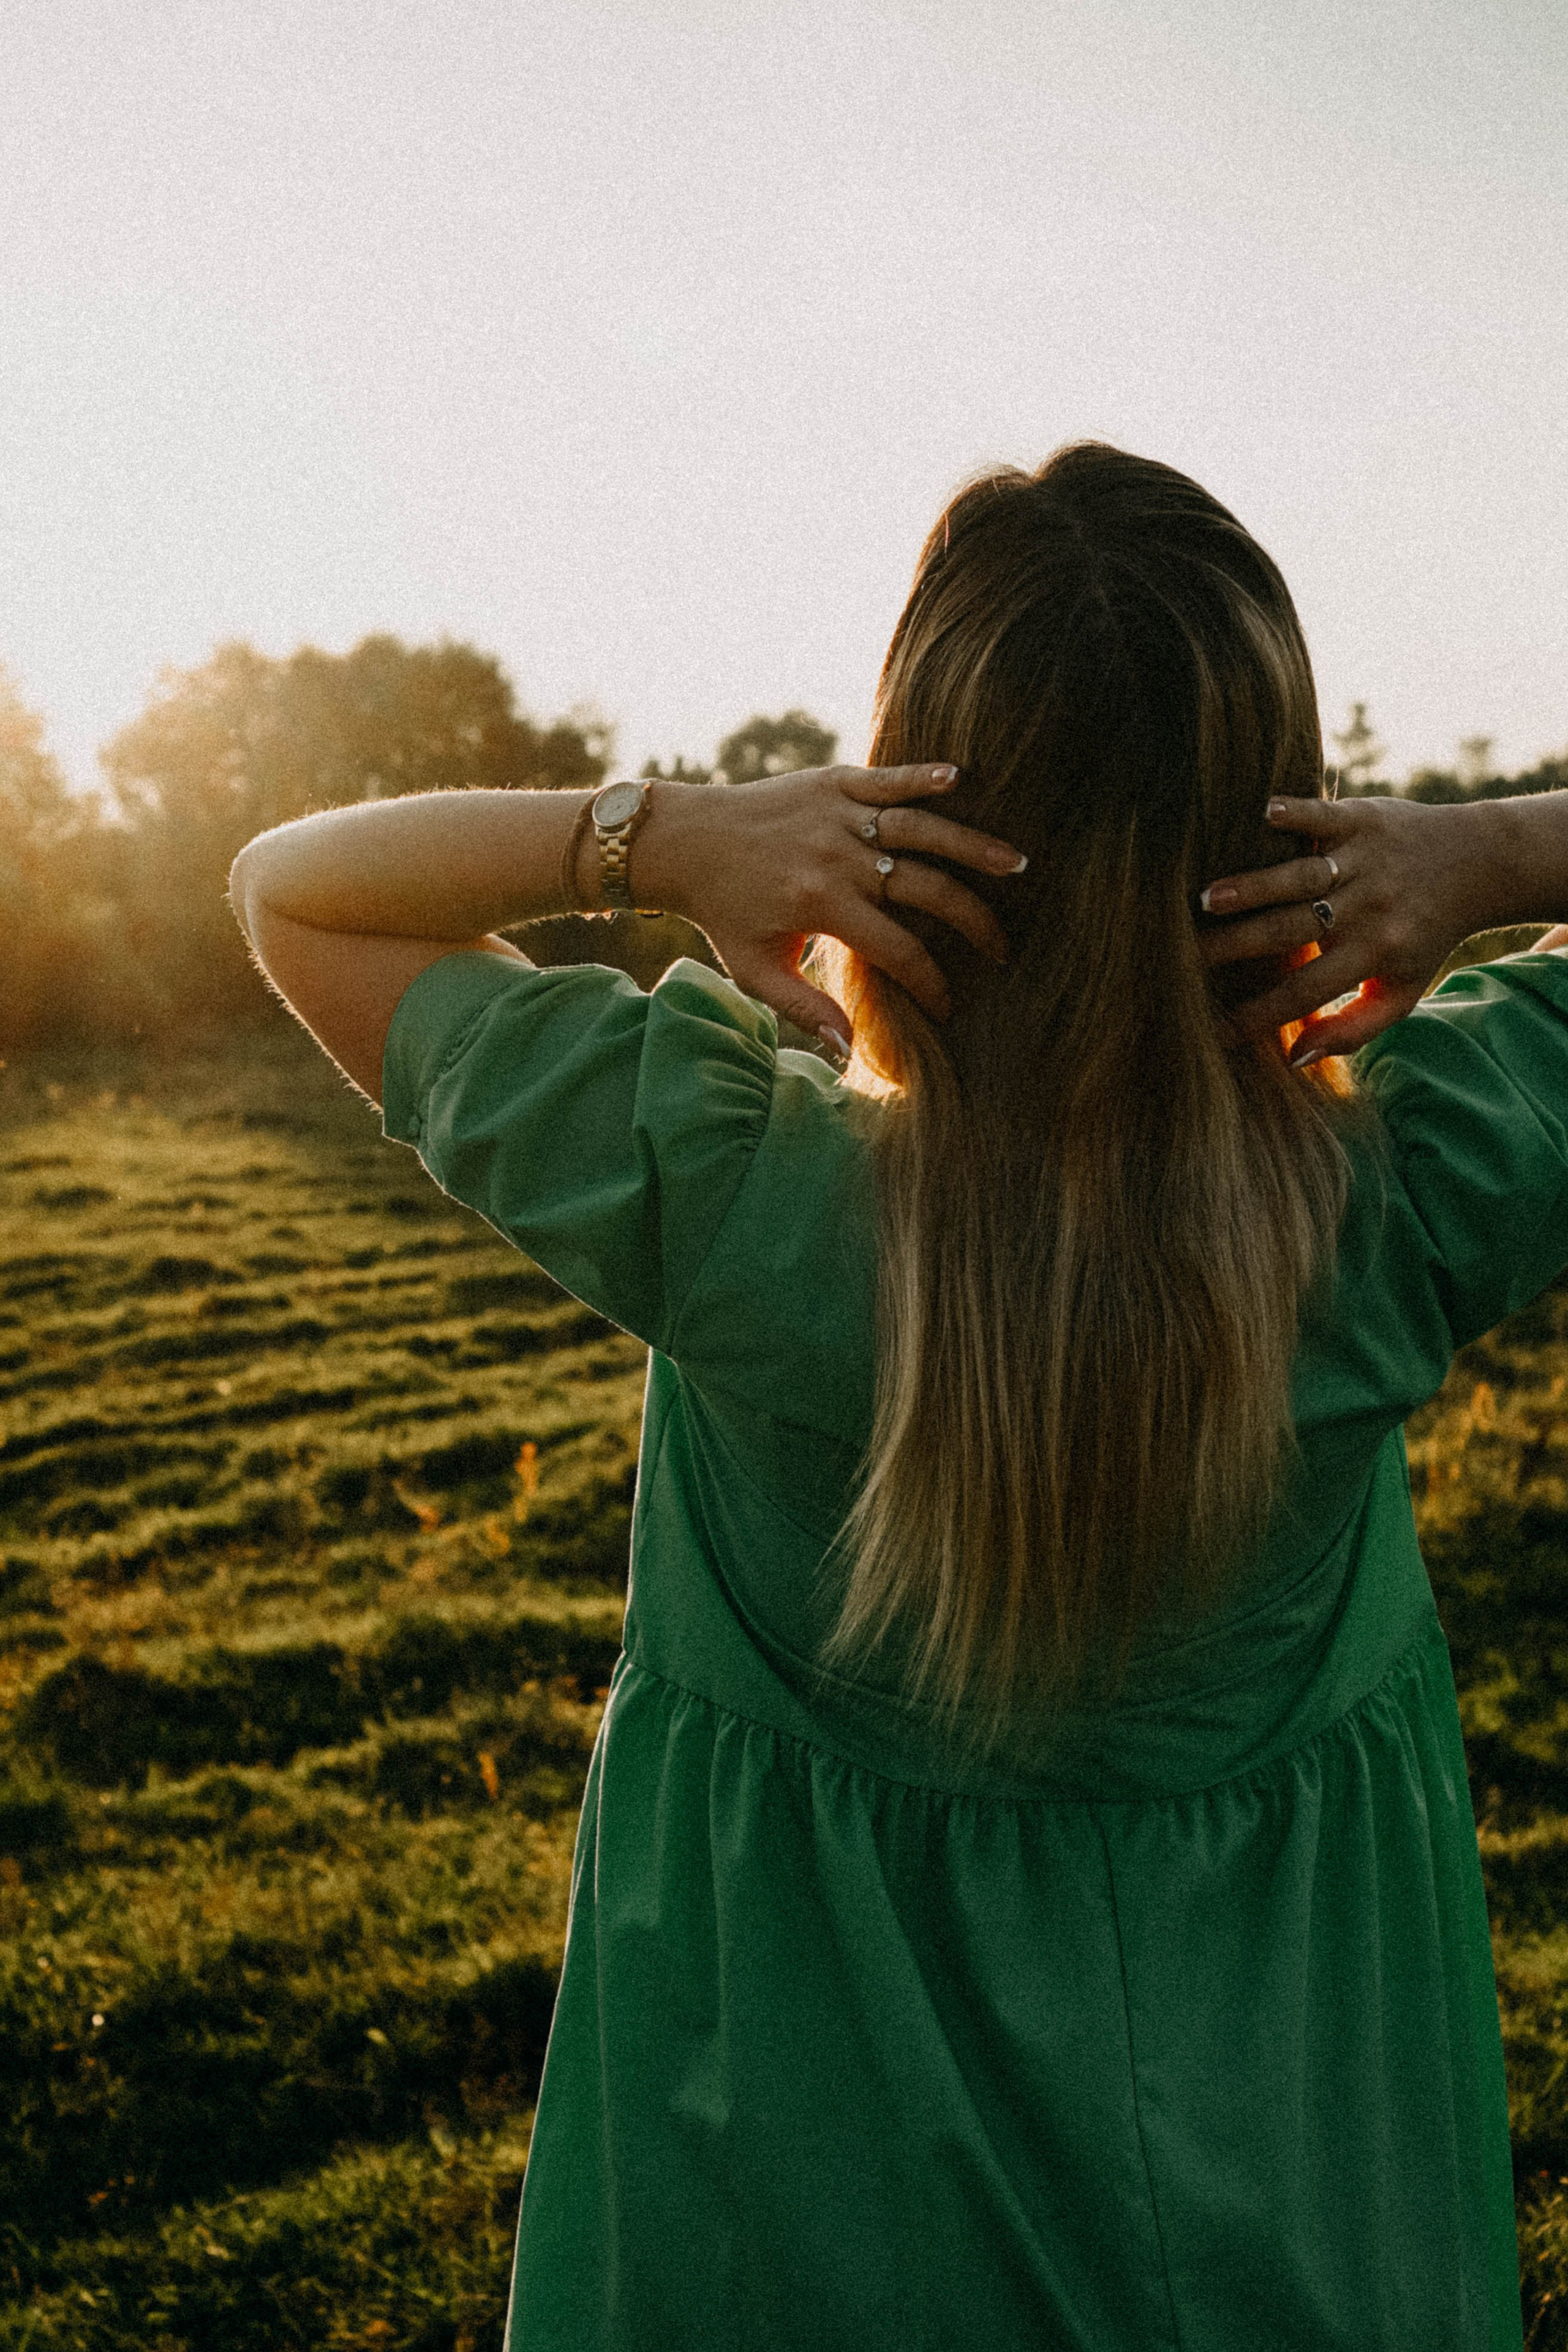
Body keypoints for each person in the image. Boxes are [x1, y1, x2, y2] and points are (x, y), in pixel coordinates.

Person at [227, 442, 1568, 2350]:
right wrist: (1496, 857)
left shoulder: (730, 1187)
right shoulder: (1409, 1192)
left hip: (790, 2243)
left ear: (891, 803)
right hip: (1290, 2247)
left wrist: (658, 840)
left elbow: (295, 896)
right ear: (1291, 840)